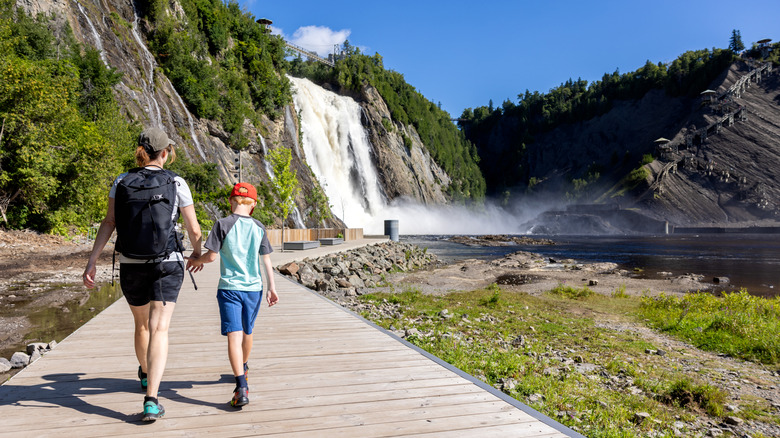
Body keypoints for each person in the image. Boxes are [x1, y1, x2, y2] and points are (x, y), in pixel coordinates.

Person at [83, 127, 202, 422]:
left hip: (130, 262)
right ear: (165, 153)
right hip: (168, 263)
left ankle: (146, 373)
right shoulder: (176, 181)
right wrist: (198, 254)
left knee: (142, 327)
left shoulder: (121, 181)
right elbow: (194, 229)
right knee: (159, 328)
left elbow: (109, 222)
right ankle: (152, 400)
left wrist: (92, 261)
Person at [187, 182, 278, 408]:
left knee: (233, 336)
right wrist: (272, 287)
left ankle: (241, 387)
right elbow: (266, 259)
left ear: (231, 201)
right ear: (253, 204)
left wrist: (195, 261)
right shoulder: (259, 227)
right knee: (248, 331)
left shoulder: (222, 224)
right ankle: (243, 368)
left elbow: (211, 257)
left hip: (229, 288)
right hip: (254, 289)